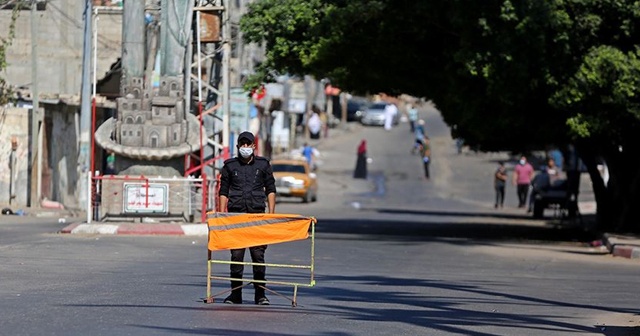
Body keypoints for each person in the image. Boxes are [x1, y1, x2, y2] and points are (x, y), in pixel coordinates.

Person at [218, 131, 276, 305]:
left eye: (248, 144)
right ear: (237, 147)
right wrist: (222, 215)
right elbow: (224, 191)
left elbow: (271, 189)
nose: (245, 147)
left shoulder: (263, 165)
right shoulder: (230, 166)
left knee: (258, 257)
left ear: (253, 147)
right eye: (242, 145)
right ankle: (236, 295)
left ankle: (260, 295)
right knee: (236, 257)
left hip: (257, 218)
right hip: (236, 218)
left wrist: (271, 215)